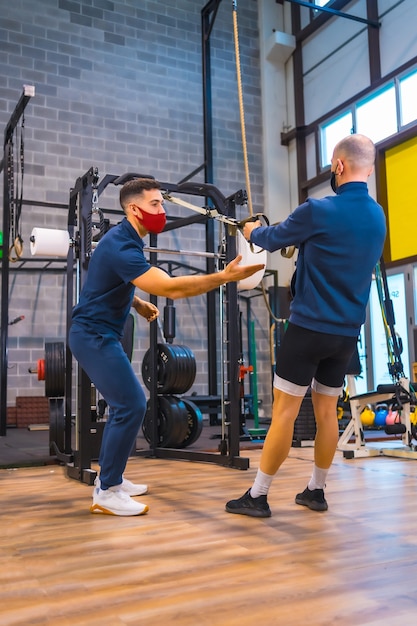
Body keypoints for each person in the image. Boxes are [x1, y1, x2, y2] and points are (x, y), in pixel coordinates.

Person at [68, 177, 264, 517]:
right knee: (131, 404)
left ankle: (114, 480)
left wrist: (137, 302)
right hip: (92, 335)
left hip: (104, 332)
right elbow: (171, 288)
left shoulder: (126, 238)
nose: (161, 211)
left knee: (126, 405)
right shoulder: (120, 245)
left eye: (161, 203)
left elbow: (107, 283)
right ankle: (106, 491)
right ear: (133, 208)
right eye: (155, 204)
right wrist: (223, 277)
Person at [225, 133, 386, 518]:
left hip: (309, 329)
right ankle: (316, 491)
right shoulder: (378, 216)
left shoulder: (318, 210)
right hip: (346, 334)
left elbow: (270, 237)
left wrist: (248, 232)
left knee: (284, 411)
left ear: (339, 166)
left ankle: (259, 496)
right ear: (371, 168)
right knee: (328, 412)